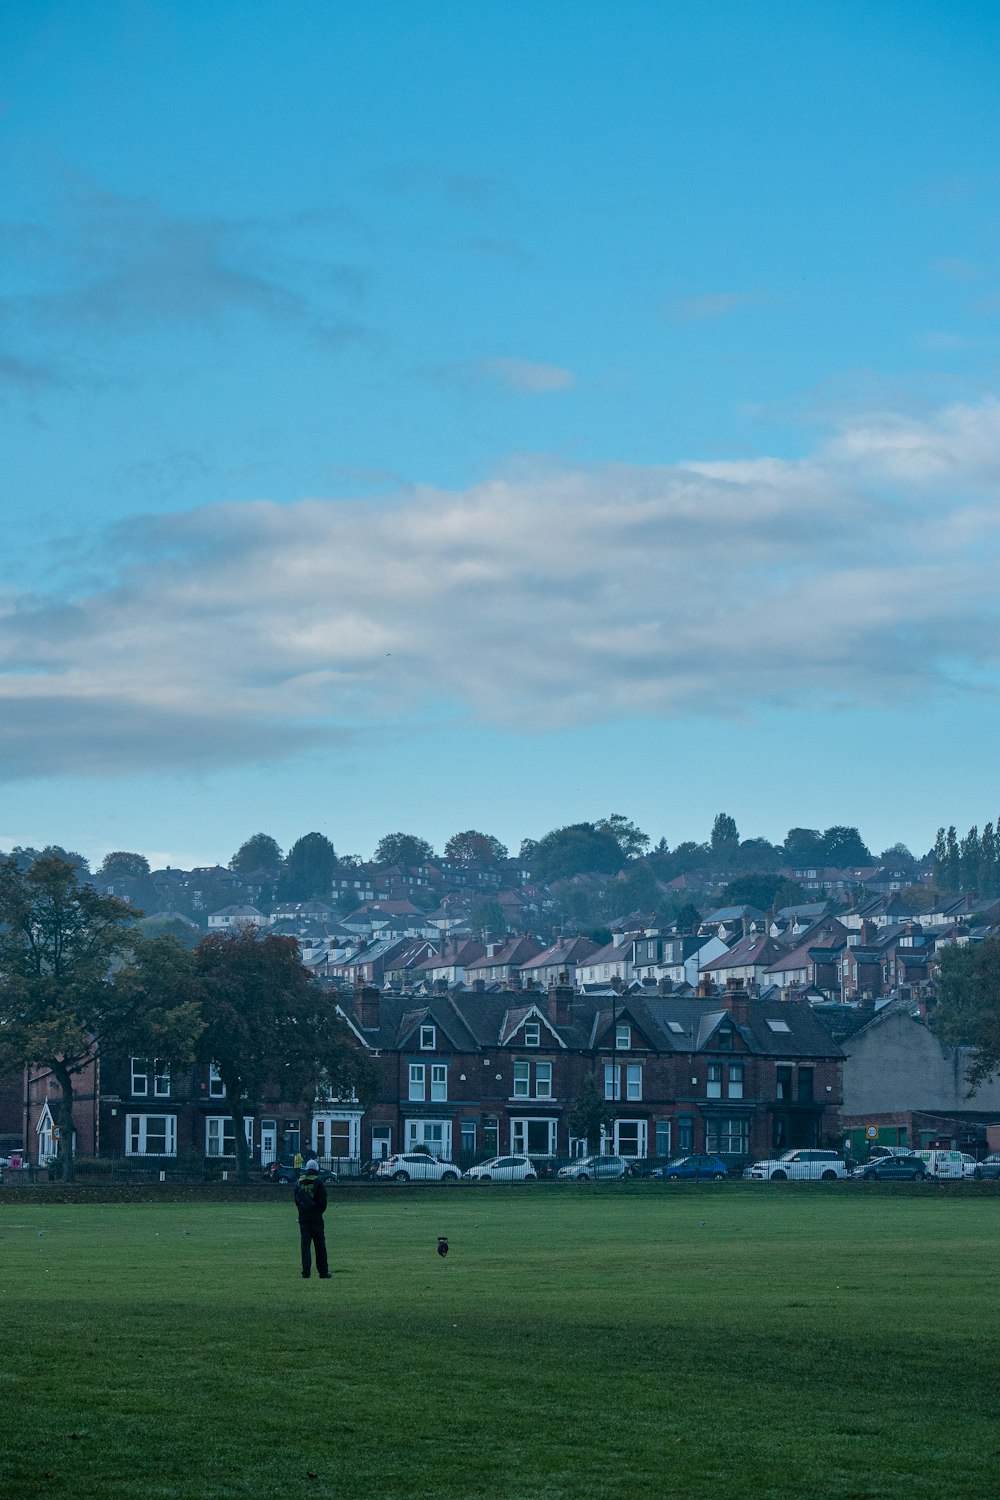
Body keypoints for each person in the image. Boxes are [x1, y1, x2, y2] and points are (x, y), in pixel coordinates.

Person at [295, 1159, 330, 1279]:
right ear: (316, 1169)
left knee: (305, 1246)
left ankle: (306, 1272)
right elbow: (323, 1202)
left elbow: (297, 1200)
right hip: (316, 1218)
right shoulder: (318, 1182)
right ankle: (323, 1272)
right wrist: (318, 1212)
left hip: (303, 1218)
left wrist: (301, 1212)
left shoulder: (299, 1182)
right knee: (320, 1245)